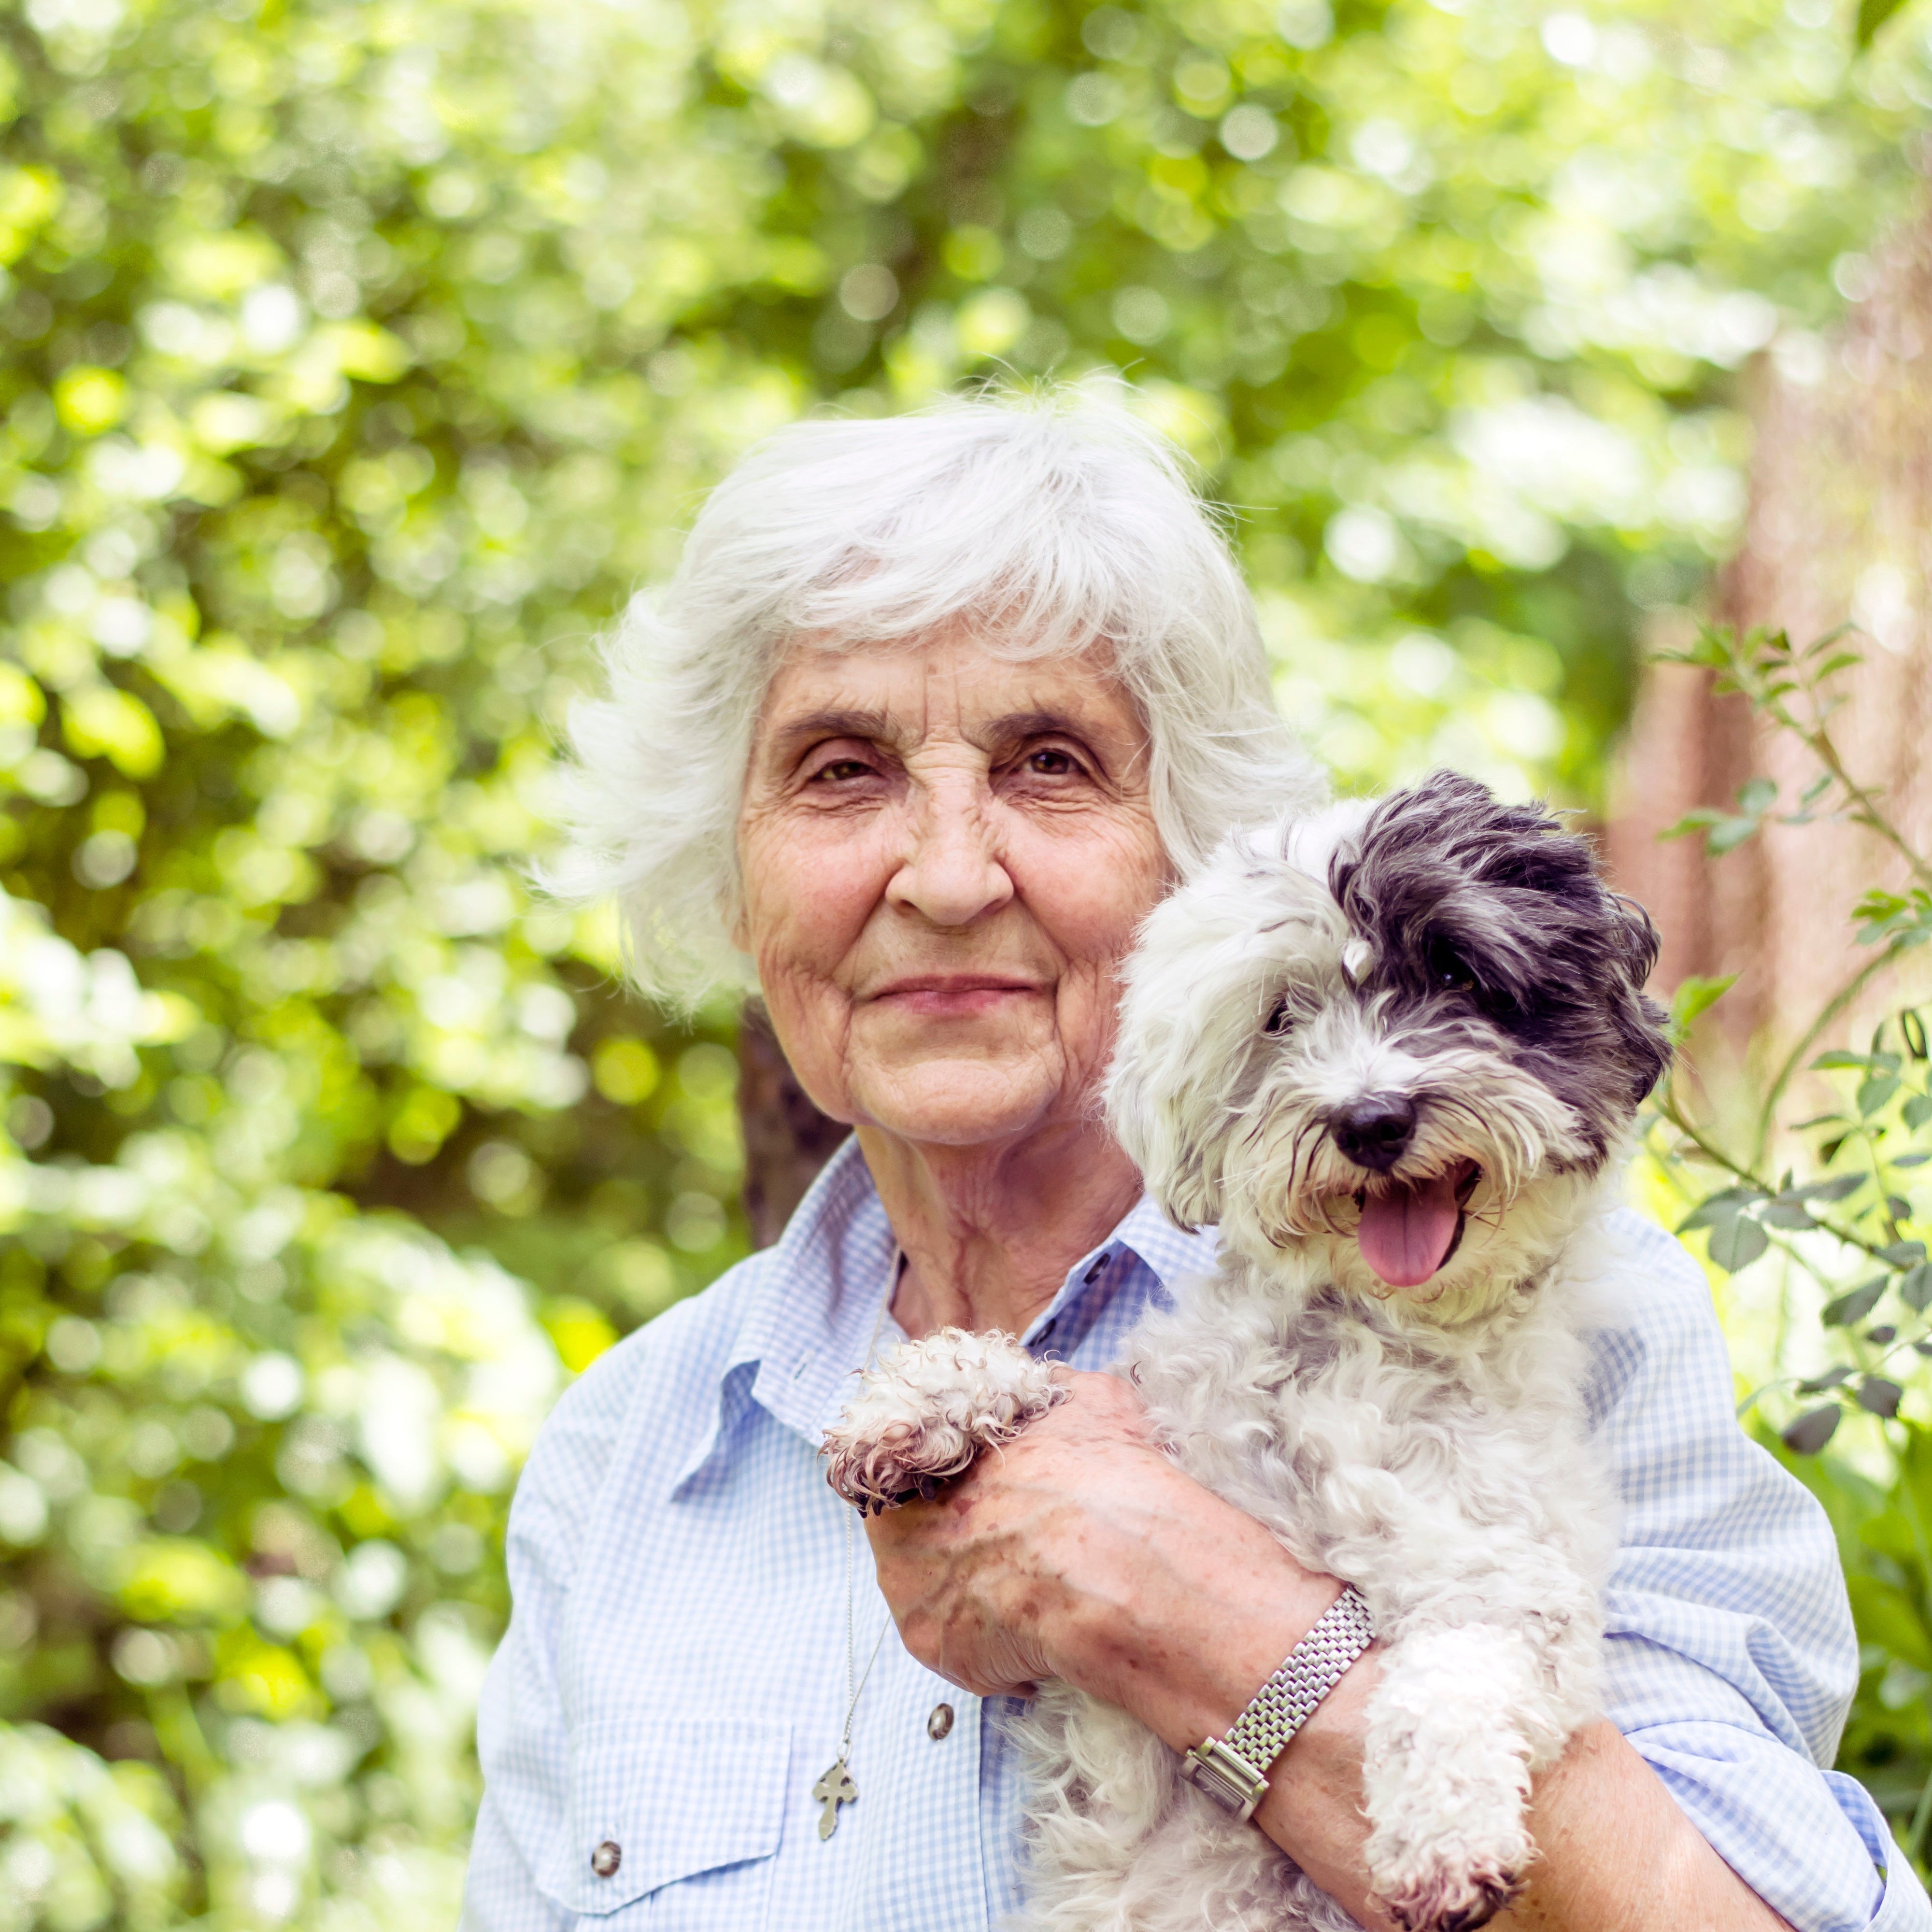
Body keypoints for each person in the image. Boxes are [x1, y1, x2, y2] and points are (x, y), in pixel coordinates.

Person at [459, 391, 1925, 1932]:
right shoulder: (626, 1460)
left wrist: (1194, 1611)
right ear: (728, 867)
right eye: (840, 771)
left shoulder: (1545, 1302)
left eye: (1047, 763)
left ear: (1191, 848)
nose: (947, 877)